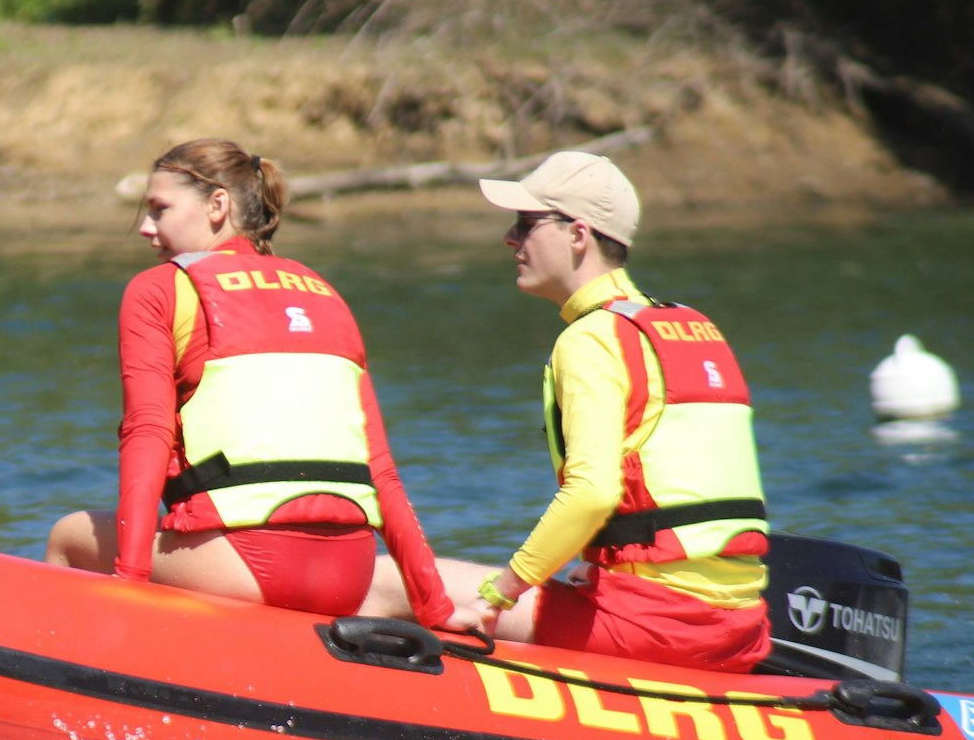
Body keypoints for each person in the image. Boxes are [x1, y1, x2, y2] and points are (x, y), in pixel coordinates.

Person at [46, 138, 471, 627]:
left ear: (217, 205)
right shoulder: (324, 293)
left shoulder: (158, 289)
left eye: (159, 209)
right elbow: (383, 473)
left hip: (249, 567)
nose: (146, 227)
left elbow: (147, 434)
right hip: (348, 576)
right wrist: (435, 607)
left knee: (70, 535)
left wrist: (131, 582)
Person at [448, 150, 771, 671]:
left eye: (527, 224)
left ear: (578, 235)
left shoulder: (591, 339)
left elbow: (592, 491)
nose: (511, 238)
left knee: (388, 580)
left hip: (654, 626)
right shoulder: (693, 326)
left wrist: (496, 595)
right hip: (740, 628)